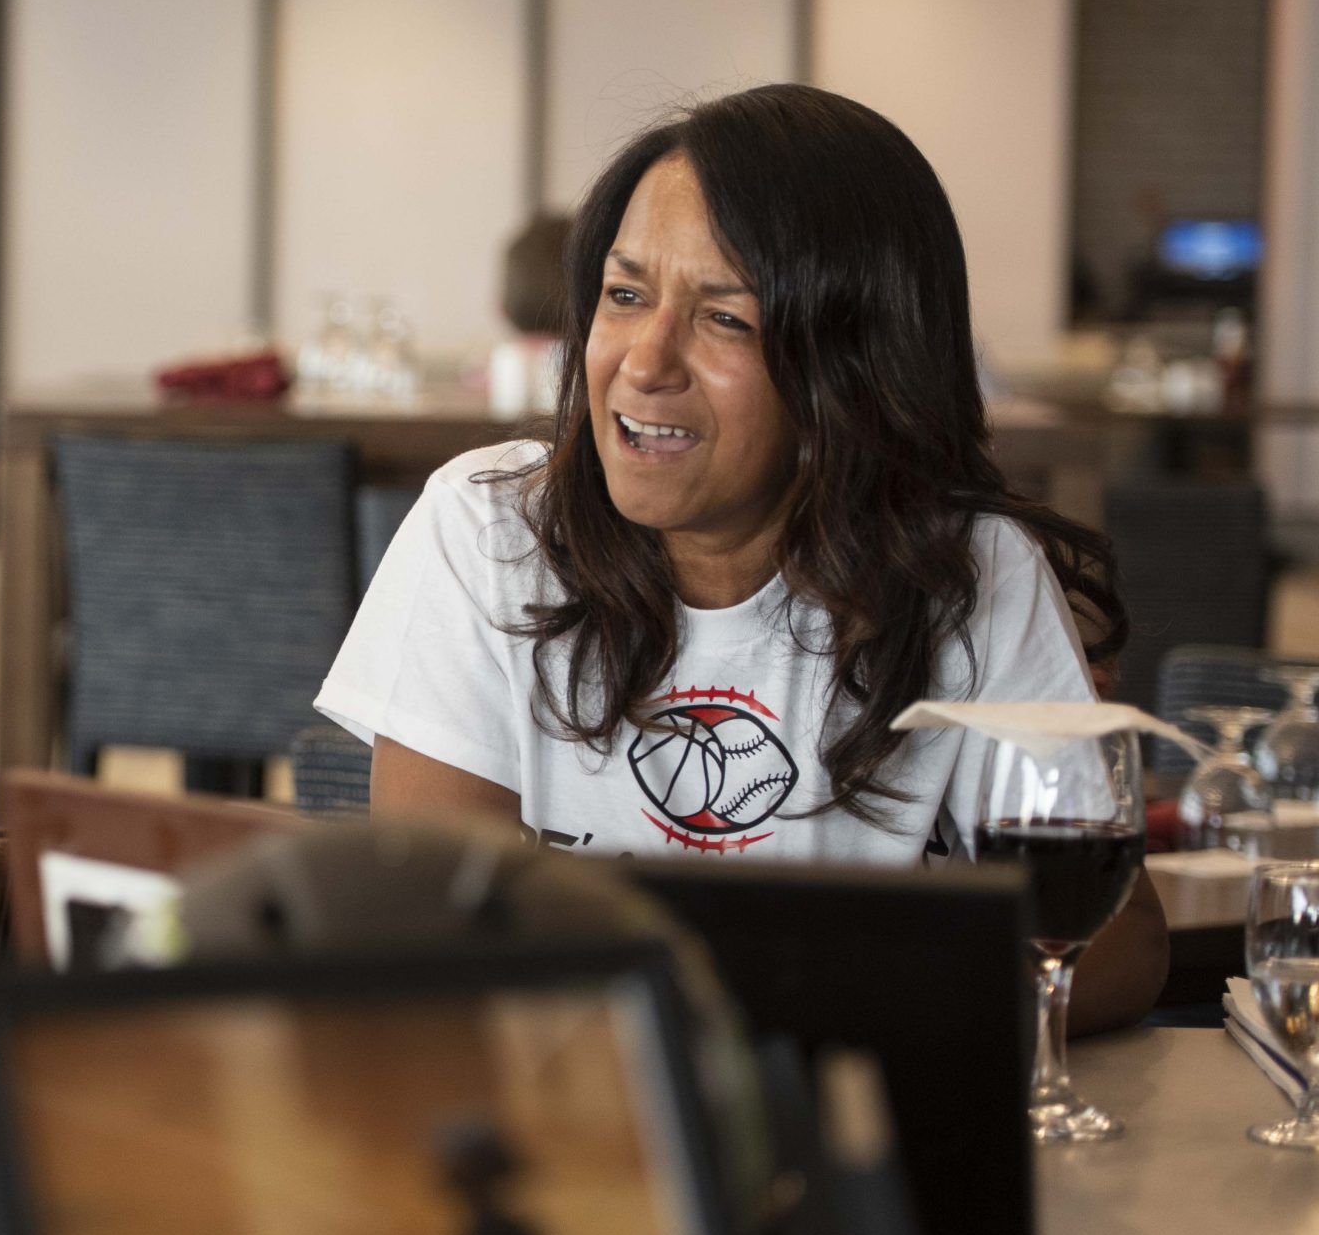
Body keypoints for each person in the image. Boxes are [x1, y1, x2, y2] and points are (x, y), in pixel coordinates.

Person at [317, 84, 1166, 1030]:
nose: (645, 362)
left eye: (725, 318)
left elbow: (1117, 943)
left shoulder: (969, 571)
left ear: (857, 364)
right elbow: (439, 924)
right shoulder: (491, 529)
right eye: (625, 295)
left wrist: (815, 1022)